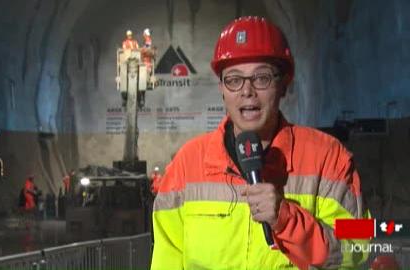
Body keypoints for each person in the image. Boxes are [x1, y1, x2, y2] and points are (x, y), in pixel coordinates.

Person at [151, 16, 369, 270]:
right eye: (234, 79)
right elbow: (166, 258)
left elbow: (359, 247)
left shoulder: (329, 158)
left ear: (283, 84)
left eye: (262, 78)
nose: (247, 91)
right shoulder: (187, 163)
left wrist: (288, 221)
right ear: (221, 88)